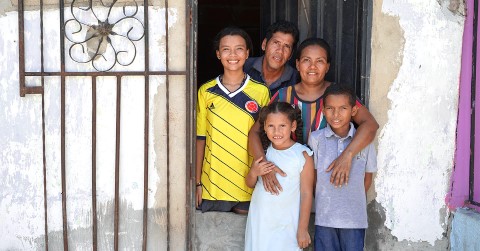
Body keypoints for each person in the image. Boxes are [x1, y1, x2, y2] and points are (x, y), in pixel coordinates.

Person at [248, 37, 379, 194]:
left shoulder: (339, 96)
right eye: (306, 60)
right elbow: (255, 132)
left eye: (320, 61)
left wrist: (347, 155)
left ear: (328, 66)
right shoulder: (283, 95)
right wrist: (265, 166)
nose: (312, 66)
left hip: (328, 182)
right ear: (297, 64)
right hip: (287, 182)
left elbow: (370, 124)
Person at [196, 27, 270, 214]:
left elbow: (265, 138)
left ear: (247, 54)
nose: (233, 54)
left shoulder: (260, 91)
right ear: (218, 54)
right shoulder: (206, 91)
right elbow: (200, 138)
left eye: (239, 49)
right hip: (212, 185)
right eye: (226, 49)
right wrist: (197, 182)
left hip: (247, 184)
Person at [308, 84, 377, 251]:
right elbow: (314, 177)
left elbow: (367, 179)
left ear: (353, 111)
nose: (336, 114)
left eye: (343, 108)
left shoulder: (364, 142)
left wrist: (350, 199)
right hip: (325, 218)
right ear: (323, 111)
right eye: (330, 108)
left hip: (354, 218)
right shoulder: (316, 139)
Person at [244, 102, 314, 250]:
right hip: (261, 219)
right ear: (264, 127)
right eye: (271, 126)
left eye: (282, 126)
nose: (277, 131)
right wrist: (254, 172)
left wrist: (303, 229)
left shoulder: (302, 155)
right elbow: (250, 183)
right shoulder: (264, 152)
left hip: (288, 222)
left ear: (293, 126)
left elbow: (307, 193)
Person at [243, 20, 299, 95]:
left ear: (291, 55)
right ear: (264, 44)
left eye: (286, 46)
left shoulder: (297, 79)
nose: (280, 51)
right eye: (276, 43)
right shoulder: (244, 67)